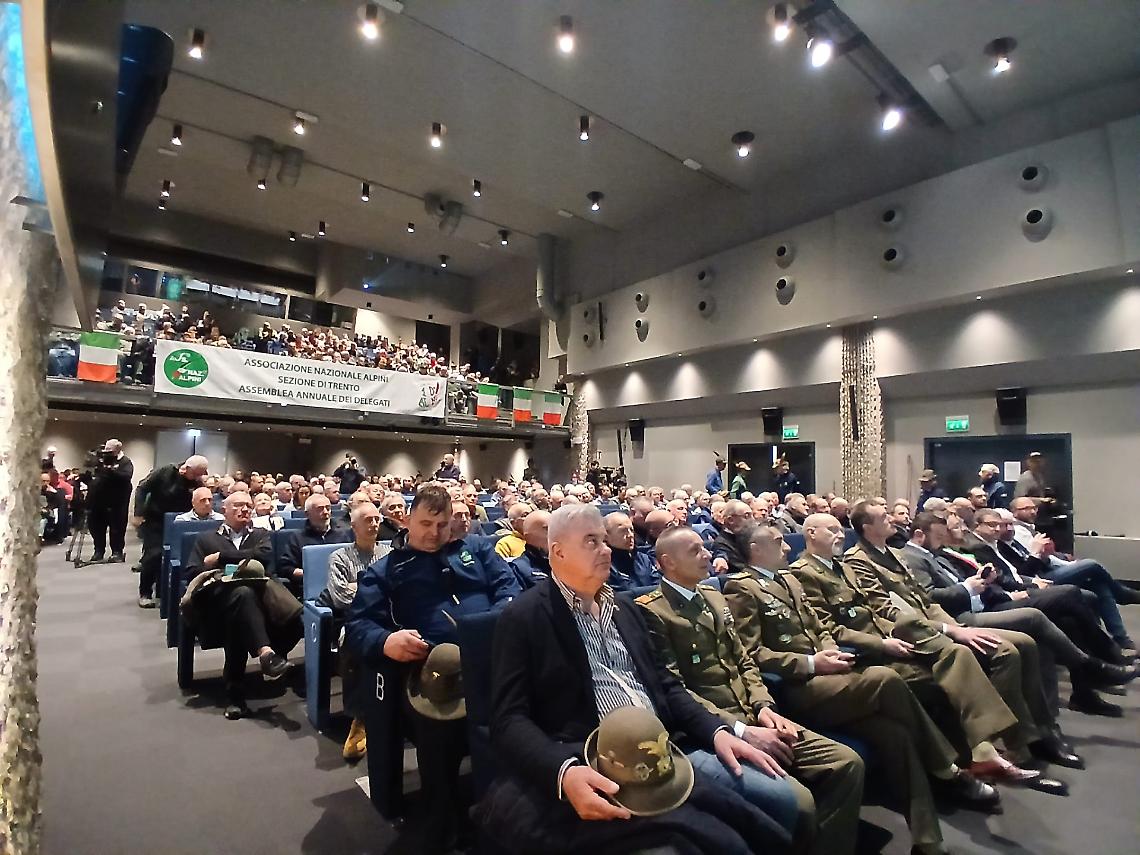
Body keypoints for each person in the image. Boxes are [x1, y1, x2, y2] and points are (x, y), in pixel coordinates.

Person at [476, 504, 795, 855]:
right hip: (593, 757)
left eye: (604, 540)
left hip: (663, 750)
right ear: (558, 551)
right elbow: (508, 719)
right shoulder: (523, 617)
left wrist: (717, 731)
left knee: (763, 819)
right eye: (592, 541)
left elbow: (666, 686)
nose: (606, 549)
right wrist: (563, 772)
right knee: (720, 843)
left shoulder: (626, 608)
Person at [723, 523, 998, 853]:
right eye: (779, 542)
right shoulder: (743, 589)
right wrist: (812, 663)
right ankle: (946, 767)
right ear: (755, 549)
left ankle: (928, 841)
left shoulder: (788, 580)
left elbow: (820, 627)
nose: (787, 547)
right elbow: (752, 653)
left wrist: (828, 650)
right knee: (886, 679)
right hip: (801, 688)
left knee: (896, 735)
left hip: (835, 677)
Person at [788, 511, 1066, 793]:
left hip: (906, 634)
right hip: (872, 649)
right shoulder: (808, 571)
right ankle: (976, 760)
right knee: (955, 662)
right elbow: (831, 628)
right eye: (832, 530)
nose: (840, 535)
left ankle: (1001, 750)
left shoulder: (844, 566)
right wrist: (887, 641)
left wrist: (929, 629)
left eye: (839, 529)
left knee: (976, 655)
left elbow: (884, 610)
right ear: (810, 533)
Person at [642, 526, 866, 855]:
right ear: (667, 562)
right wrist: (741, 729)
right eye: (695, 551)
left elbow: (744, 660)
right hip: (715, 730)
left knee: (846, 763)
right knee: (800, 802)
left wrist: (764, 707)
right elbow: (676, 689)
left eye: (704, 548)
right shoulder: (653, 611)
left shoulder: (714, 597)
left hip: (756, 714)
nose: (707, 555)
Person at [346, 485, 521, 853]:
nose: (434, 532)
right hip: (431, 675)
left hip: (492, 659)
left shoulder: (476, 549)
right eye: (425, 523)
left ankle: (518, 805)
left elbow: (509, 588)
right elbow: (359, 627)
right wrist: (386, 642)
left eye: (442, 524)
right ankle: (444, 818)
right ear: (406, 519)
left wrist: (499, 616)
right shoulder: (387, 570)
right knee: (438, 728)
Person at [905, 512, 1135, 720]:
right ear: (919, 534)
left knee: (1070, 617)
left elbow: (989, 579)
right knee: (1067, 594)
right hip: (966, 614)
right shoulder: (922, 556)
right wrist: (979, 589)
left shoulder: (940, 554)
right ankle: (1103, 660)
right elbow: (933, 597)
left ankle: (1086, 689)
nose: (955, 533)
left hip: (990, 599)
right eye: (943, 533)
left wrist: (988, 583)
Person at [963, 509, 1130, 675]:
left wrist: (1036, 575)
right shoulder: (976, 547)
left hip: (1028, 582)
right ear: (976, 526)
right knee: (1079, 581)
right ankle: (1108, 653)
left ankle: (1094, 677)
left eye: (1003, 525)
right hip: (1005, 598)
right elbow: (998, 581)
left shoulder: (993, 544)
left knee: (1085, 600)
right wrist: (1032, 576)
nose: (1000, 529)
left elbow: (1010, 574)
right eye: (993, 525)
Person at [182, 492, 301, 719]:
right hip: (217, 603)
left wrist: (220, 558)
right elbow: (193, 571)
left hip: (259, 602)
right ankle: (266, 654)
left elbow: (263, 559)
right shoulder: (206, 538)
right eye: (238, 505)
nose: (244, 509)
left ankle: (235, 695)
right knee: (241, 596)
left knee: (242, 606)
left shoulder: (260, 534)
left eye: (248, 505)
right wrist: (236, 568)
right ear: (224, 509)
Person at [321, 501, 392, 762]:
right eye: (368, 520)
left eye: (377, 519)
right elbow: (339, 597)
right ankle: (360, 718)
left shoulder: (389, 554)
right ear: (354, 526)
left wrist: (361, 587)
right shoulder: (339, 557)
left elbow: (398, 590)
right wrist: (376, 591)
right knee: (356, 644)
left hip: (387, 617)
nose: (375, 524)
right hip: (351, 621)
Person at [132, 454, 209, 607]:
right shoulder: (164, 472)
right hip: (156, 520)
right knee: (153, 555)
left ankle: (163, 593)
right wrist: (139, 513)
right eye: (197, 473)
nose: (199, 477)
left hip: (179, 522)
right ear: (186, 469)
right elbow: (142, 488)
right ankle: (145, 592)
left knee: (172, 556)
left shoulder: (196, 481)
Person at [278, 495, 352, 597]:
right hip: (311, 589)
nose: (326, 512)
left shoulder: (344, 533)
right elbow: (286, 568)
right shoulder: (297, 538)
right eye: (320, 509)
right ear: (307, 514)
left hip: (343, 587)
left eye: (328, 508)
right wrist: (310, 574)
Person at [87, 439, 134, 563]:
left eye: (110, 451)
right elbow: (92, 471)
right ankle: (98, 551)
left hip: (118, 502)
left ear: (117, 450)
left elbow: (126, 477)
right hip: (100, 500)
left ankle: (117, 552)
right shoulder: (101, 460)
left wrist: (112, 471)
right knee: (97, 527)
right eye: (105, 450)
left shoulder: (125, 462)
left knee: (117, 528)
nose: (107, 453)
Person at [603, 512, 658, 591]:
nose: (630, 535)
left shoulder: (643, 558)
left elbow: (657, 584)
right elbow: (620, 594)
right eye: (623, 531)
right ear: (606, 536)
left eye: (631, 530)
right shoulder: (604, 564)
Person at [509, 510, 552, 590]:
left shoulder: (565, 562)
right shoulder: (518, 569)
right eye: (547, 529)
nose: (554, 533)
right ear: (529, 538)